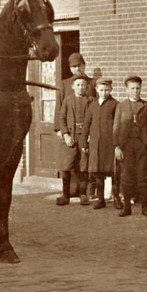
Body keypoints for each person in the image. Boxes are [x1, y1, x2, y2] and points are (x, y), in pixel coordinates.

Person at [113, 75, 147, 217]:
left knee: (143, 176)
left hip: (142, 146)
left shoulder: (146, 106)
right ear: (127, 90)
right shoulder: (121, 106)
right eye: (132, 88)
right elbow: (116, 128)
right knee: (126, 176)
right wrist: (116, 147)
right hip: (126, 146)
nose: (135, 91)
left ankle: (145, 207)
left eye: (138, 88)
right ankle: (127, 207)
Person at [55, 52, 97, 198]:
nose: (76, 69)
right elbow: (60, 108)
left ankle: (84, 192)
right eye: (73, 67)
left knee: (83, 161)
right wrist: (60, 130)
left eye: (79, 66)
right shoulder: (65, 84)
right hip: (70, 128)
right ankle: (69, 192)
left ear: (84, 65)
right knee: (68, 161)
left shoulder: (91, 83)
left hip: (85, 130)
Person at [81, 77, 121, 210]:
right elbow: (86, 125)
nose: (104, 93)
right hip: (95, 144)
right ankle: (101, 199)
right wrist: (83, 142)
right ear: (97, 89)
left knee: (114, 172)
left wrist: (117, 144)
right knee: (98, 172)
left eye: (107, 90)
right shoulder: (92, 106)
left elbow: (118, 126)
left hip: (110, 144)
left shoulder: (115, 104)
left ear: (111, 90)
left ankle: (116, 198)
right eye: (101, 90)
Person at [56, 75, 92, 206]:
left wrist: (90, 135)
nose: (81, 87)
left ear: (86, 86)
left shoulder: (91, 100)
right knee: (66, 165)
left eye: (83, 85)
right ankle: (65, 195)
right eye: (78, 85)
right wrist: (65, 135)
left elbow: (94, 119)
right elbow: (61, 118)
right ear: (73, 87)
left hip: (84, 136)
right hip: (71, 136)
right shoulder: (68, 100)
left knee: (83, 165)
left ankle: (83, 194)